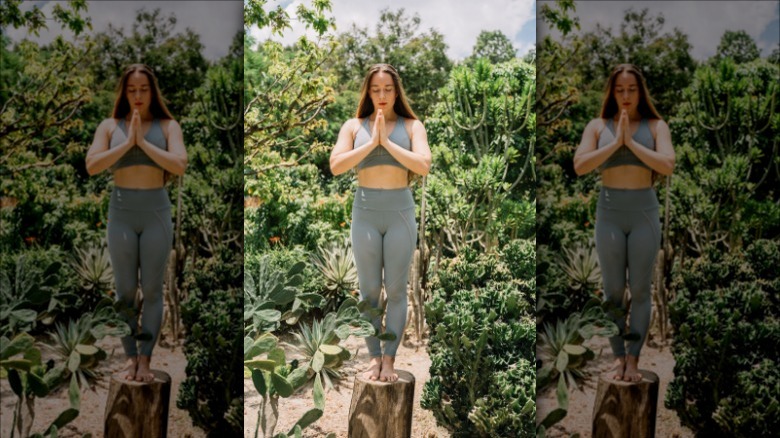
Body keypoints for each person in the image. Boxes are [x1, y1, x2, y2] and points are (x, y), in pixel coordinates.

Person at [329, 63, 432, 382]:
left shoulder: (413, 126)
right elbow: (335, 165)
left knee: (397, 291)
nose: (382, 95)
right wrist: (371, 143)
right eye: (376, 90)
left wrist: (386, 143)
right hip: (366, 213)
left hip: (400, 211)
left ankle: (390, 359)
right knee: (369, 292)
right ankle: (374, 358)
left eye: (388, 89)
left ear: (397, 91)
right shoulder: (353, 125)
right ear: (368, 92)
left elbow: (424, 165)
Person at [85, 64, 187, 382]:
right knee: (125, 292)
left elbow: (179, 164)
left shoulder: (168, 126)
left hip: (156, 212)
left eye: (144, 89)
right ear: (124, 92)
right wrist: (127, 143)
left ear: (152, 92)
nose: (138, 95)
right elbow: (92, 165)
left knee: (153, 290)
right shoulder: (109, 126)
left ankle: (145, 360)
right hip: (122, 214)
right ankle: (130, 359)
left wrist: (143, 144)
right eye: (132, 90)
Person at [573, 64, 675, 382]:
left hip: (644, 213)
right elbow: (580, 165)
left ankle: (634, 360)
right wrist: (615, 143)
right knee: (613, 293)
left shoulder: (657, 126)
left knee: (641, 290)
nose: (626, 95)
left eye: (632, 89)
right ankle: (618, 358)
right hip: (610, 214)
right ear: (612, 92)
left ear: (640, 92)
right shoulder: (597, 125)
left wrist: (631, 143)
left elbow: (667, 164)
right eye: (620, 90)